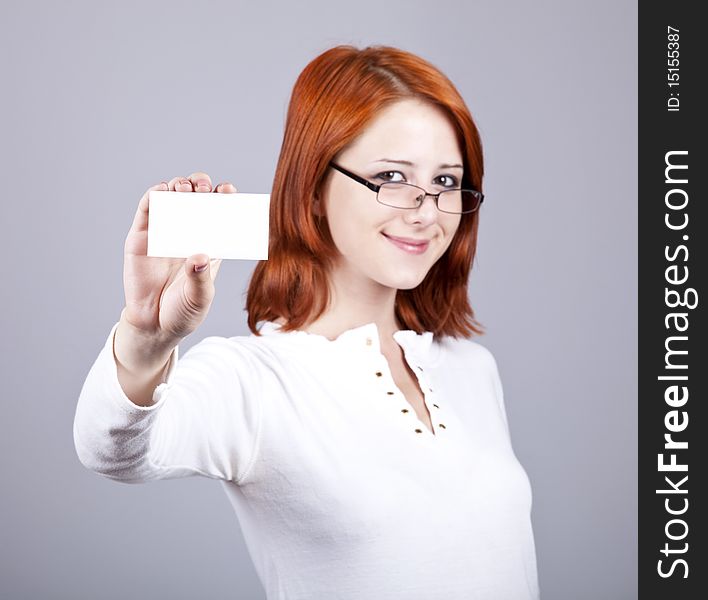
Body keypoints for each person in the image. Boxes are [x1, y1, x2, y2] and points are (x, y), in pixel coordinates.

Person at [74, 45, 540, 600]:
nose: (425, 211)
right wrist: (148, 337)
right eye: (392, 175)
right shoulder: (254, 379)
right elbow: (114, 452)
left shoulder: (472, 368)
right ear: (315, 188)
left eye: (446, 182)